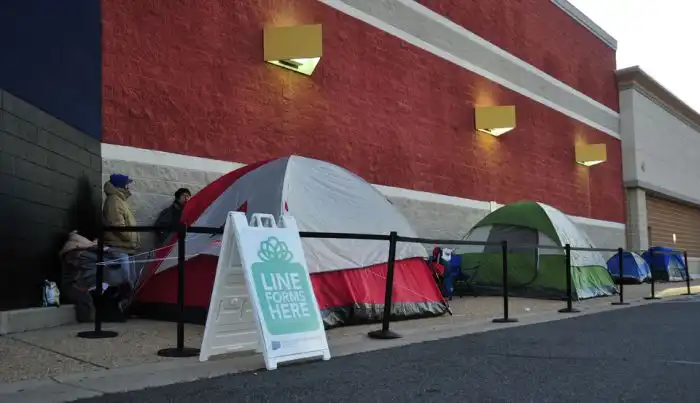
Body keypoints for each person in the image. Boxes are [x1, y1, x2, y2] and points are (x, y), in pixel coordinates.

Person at [103, 174, 139, 254]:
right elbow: (117, 225)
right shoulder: (114, 201)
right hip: (119, 249)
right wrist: (131, 237)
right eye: (127, 184)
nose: (129, 187)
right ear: (121, 186)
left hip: (124, 247)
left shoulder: (120, 200)